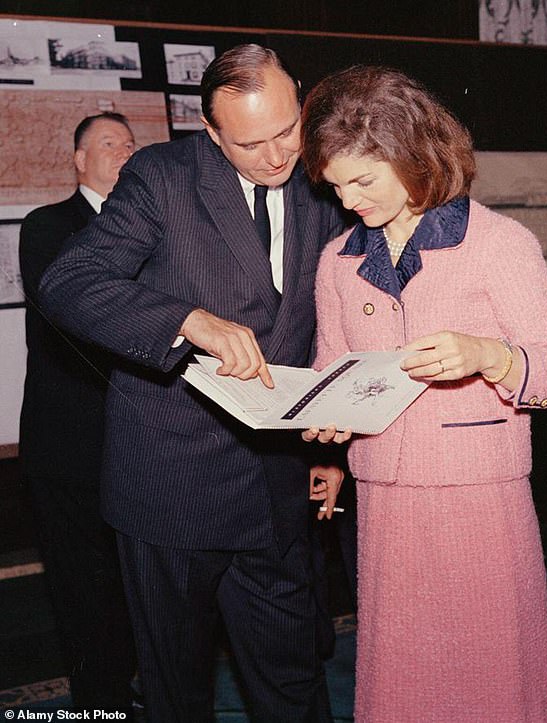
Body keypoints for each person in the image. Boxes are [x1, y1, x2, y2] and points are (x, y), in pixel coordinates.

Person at [38, 44, 345, 723]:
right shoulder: (162, 178)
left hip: (277, 486)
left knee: (294, 681)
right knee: (178, 692)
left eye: (287, 130)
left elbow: (328, 314)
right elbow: (69, 283)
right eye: (251, 143)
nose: (277, 156)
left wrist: (328, 442)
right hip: (171, 490)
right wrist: (185, 319)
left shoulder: (322, 174)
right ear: (209, 132)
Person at [300, 65, 547, 722]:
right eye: (336, 185)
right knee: (403, 680)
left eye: (364, 181)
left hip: (480, 496)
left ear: (412, 155)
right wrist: (323, 430)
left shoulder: (498, 244)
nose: (348, 201)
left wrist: (492, 356)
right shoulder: (338, 259)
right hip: (385, 499)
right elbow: (331, 373)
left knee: (492, 679)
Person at [19, 112, 138, 710]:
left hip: (137, 442)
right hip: (70, 445)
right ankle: (101, 700)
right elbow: (75, 319)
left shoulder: (150, 229)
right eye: (109, 144)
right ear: (78, 160)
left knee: (136, 581)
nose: (123, 153)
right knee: (80, 586)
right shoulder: (50, 227)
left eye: (129, 144)